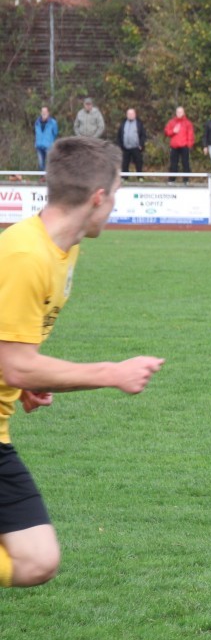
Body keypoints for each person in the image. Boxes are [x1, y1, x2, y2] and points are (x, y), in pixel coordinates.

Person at [0, 136, 164, 589]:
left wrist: (24, 378)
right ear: (98, 198)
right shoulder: (24, 253)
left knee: (36, 561)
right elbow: (16, 364)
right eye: (116, 195)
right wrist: (110, 374)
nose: (114, 206)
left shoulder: (64, 249)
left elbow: (13, 354)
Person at [164, 106, 195, 185]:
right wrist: (173, 131)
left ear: (184, 113)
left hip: (184, 146)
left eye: (180, 112)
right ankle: (172, 179)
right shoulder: (172, 122)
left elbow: (190, 135)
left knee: (185, 163)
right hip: (174, 146)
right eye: (178, 112)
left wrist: (189, 145)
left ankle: (186, 180)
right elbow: (167, 132)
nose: (179, 113)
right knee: (173, 163)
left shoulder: (187, 123)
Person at [115, 108, 146, 176]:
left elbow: (143, 135)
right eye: (129, 114)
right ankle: (125, 177)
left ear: (135, 114)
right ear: (126, 115)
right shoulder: (123, 123)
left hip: (136, 147)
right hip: (125, 147)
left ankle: (140, 177)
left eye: (132, 114)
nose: (130, 115)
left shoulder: (139, 123)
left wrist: (141, 144)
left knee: (139, 162)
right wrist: (120, 145)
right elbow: (119, 135)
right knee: (125, 163)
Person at [33, 107, 58, 172]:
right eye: (42, 112)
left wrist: (50, 141)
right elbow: (36, 133)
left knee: (49, 163)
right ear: (41, 113)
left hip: (48, 146)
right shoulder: (37, 122)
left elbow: (55, 133)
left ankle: (49, 178)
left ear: (48, 113)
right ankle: (42, 178)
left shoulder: (53, 122)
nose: (44, 113)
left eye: (45, 112)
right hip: (39, 146)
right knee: (41, 164)